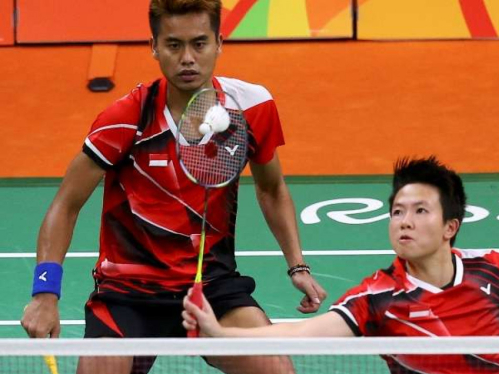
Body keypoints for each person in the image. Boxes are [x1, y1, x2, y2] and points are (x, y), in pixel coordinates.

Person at [20, 1, 326, 373]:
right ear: (154, 47)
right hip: (128, 293)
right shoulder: (126, 118)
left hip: (211, 285)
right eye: (174, 45)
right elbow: (65, 205)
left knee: (276, 369)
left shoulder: (251, 107)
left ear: (219, 43)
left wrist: (298, 266)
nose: (187, 59)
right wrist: (45, 293)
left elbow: (272, 188)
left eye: (199, 44)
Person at [183, 156, 499, 374]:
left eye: (420, 211)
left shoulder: (488, 271)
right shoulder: (377, 297)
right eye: (398, 211)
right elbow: (304, 333)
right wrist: (224, 334)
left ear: (450, 227)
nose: (404, 221)